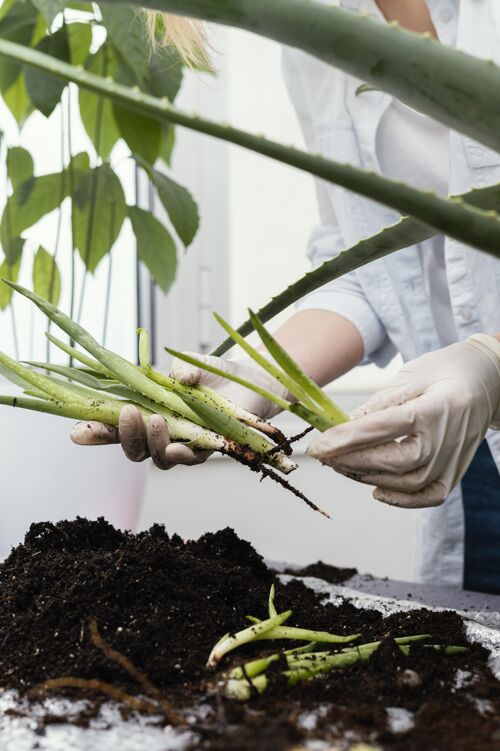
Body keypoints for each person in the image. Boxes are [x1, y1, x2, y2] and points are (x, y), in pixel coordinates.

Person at [73, 0, 500, 594]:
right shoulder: (321, 32)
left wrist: (493, 360)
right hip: (468, 454)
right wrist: (252, 380)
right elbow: (366, 269)